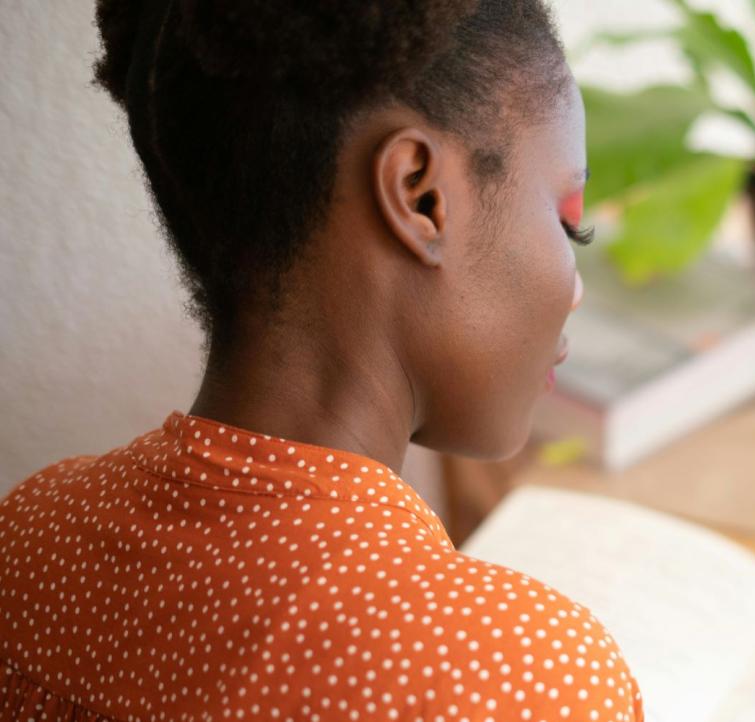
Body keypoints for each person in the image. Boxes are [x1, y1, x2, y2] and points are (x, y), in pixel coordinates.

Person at [0, 1, 643, 720]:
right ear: (419, 195)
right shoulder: (523, 678)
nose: (575, 287)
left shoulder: (27, 541)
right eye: (567, 223)